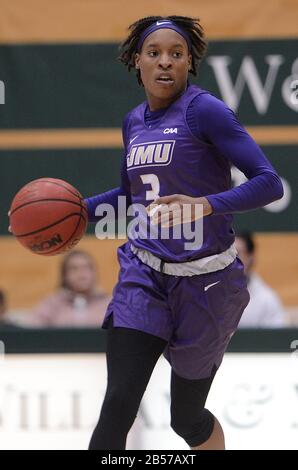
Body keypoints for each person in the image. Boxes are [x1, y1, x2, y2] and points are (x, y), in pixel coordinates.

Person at [84, 16, 284, 450]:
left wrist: (206, 203)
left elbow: (270, 182)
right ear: (136, 60)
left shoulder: (204, 110)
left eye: (176, 54)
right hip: (145, 273)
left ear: (189, 62)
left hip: (208, 282)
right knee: (118, 403)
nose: (165, 62)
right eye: (154, 53)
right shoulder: (133, 121)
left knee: (187, 421)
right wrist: (79, 213)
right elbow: (129, 192)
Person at [32, 250, 111, 327]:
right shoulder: (52, 303)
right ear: (64, 275)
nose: (81, 273)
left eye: (86, 267)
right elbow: (35, 331)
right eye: (74, 268)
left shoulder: (110, 304)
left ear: (94, 272)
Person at [235, 233, 286, 328]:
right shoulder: (211, 295)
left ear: (251, 257)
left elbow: (275, 340)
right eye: (227, 255)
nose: (231, 261)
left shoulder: (267, 299)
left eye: (237, 254)